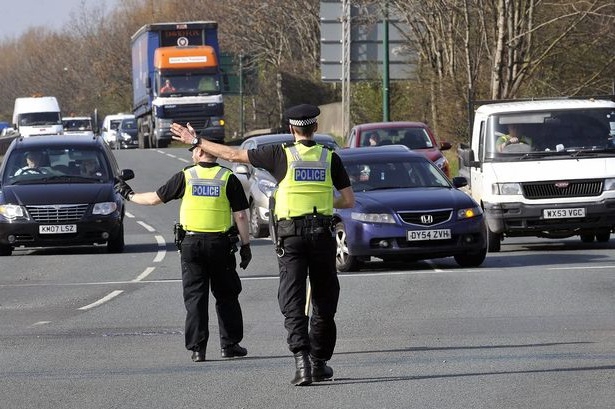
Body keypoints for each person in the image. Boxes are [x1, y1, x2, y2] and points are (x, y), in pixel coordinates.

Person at [170, 104, 355, 386]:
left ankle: (302, 362)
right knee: (324, 300)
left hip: (291, 237)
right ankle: (319, 362)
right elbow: (348, 200)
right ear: (315, 128)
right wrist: (325, 203)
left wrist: (196, 141)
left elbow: (232, 154)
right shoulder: (330, 158)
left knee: (293, 299)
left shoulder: (279, 154)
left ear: (292, 129)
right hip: (321, 235)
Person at [114, 132, 252, 363]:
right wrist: (246, 245)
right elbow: (240, 215)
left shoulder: (186, 176)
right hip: (220, 245)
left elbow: (154, 199)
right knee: (227, 296)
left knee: (195, 297)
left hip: (192, 245)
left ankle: (198, 349)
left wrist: (128, 193)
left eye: (194, 152)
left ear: (199, 152)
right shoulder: (228, 178)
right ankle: (230, 345)